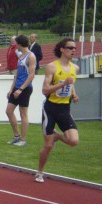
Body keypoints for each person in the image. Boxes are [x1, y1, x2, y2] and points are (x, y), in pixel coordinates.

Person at [36, 38, 80, 183]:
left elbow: (71, 83)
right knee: (48, 145)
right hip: (50, 108)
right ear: (62, 49)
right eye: (70, 48)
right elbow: (45, 90)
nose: (73, 50)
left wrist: (73, 93)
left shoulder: (75, 68)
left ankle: (58, 136)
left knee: (74, 141)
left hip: (64, 109)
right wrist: (62, 86)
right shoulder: (52, 67)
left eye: (74, 48)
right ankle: (40, 172)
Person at [5, 34, 36, 147]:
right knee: (9, 111)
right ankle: (16, 136)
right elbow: (17, 75)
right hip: (17, 87)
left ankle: (23, 139)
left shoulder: (31, 56)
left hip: (25, 88)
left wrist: (21, 89)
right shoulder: (21, 56)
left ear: (20, 44)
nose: (15, 45)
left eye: (16, 43)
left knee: (23, 114)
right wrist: (12, 89)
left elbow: (31, 75)